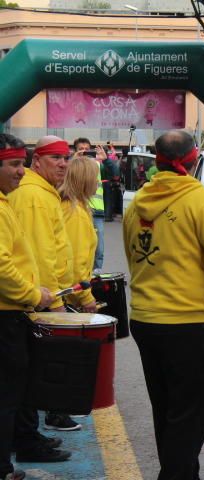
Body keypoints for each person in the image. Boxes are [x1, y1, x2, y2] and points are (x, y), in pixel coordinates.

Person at [123, 130, 204, 480]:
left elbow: (135, 260)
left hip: (145, 321)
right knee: (189, 415)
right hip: (186, 324)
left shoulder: (137, 205)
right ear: (193, 162)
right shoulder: (202, 202)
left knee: (166, 409)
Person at [8, 135, 77, 454]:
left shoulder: (42, 193)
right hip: (30, 302)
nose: (63, 164)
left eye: (66, 158)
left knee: (24, 377)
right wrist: (54, 302)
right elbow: (40, 254)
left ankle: (26, 437)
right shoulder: (34, 196)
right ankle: (24, 440)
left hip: (32, 298)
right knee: (22, 379)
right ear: (37, 162)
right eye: (55, 158)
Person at [0, 134, 57, 480]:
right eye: (14, 165)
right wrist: (34, 294)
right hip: (6, 314)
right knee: (7, 396)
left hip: (11, 310)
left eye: (22, 164)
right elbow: (2, 265)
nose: (21, 172)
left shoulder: (7, 203)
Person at [58, 156, 99, 313]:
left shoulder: (67, 205)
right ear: (85, 180)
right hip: (69, 297)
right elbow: (75, 261)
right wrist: (86, 297)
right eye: (95, 177)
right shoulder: (75, 213)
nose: (98, 182)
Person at [73, 138, 111, 270]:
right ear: (75, 151)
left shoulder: (98, 165)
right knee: (79, 246)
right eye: (80, 149)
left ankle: (97, 275)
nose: (84, 152)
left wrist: (106, 160)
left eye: (86, 149)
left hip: (97, 213)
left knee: (98, 249)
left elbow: (115, 175)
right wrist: (72, 161)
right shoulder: (72, 166)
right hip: (76, 210)